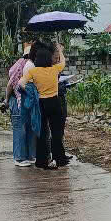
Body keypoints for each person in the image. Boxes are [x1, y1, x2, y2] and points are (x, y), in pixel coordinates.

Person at [20, 39, 69, 169]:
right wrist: (60, 51)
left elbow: (21, 83)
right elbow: (63, 62)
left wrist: (29, 91)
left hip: (41, 104)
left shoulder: (33, 71)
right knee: (56, 132)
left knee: (42, 133)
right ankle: (59, 159)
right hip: (55, 103)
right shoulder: (54, 69)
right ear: (49, 58)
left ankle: (42, 161)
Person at [5, 43, 41, 167]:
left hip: (26, 101)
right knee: (20, 129)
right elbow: (10, 85)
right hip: (17, 101)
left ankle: (30, 156)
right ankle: (19, 158)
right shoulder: (21, 66)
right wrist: (6, 100)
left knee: (30, 128)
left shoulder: (28, 65)